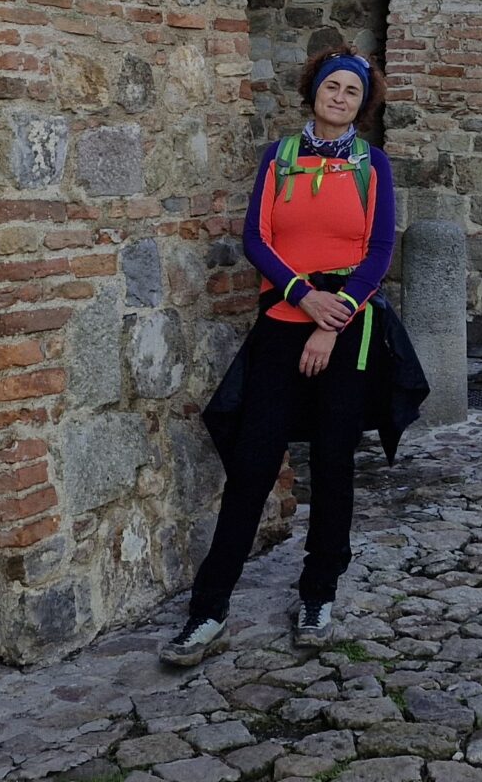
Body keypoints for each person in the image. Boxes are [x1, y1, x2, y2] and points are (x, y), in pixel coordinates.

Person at [162, 48, 428, 665]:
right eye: (332, 87)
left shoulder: (373, 165)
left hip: (348, 327)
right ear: (313, 92)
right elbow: (257, 238)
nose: (340, 98)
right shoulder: (279, 159)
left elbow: (380, 249)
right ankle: (208, 609)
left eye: (352, 93)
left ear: (364, 105)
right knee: (254, 463)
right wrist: (304, 299)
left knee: (335, 461)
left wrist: (333, 319)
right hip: (285, 319)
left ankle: (318, 592)